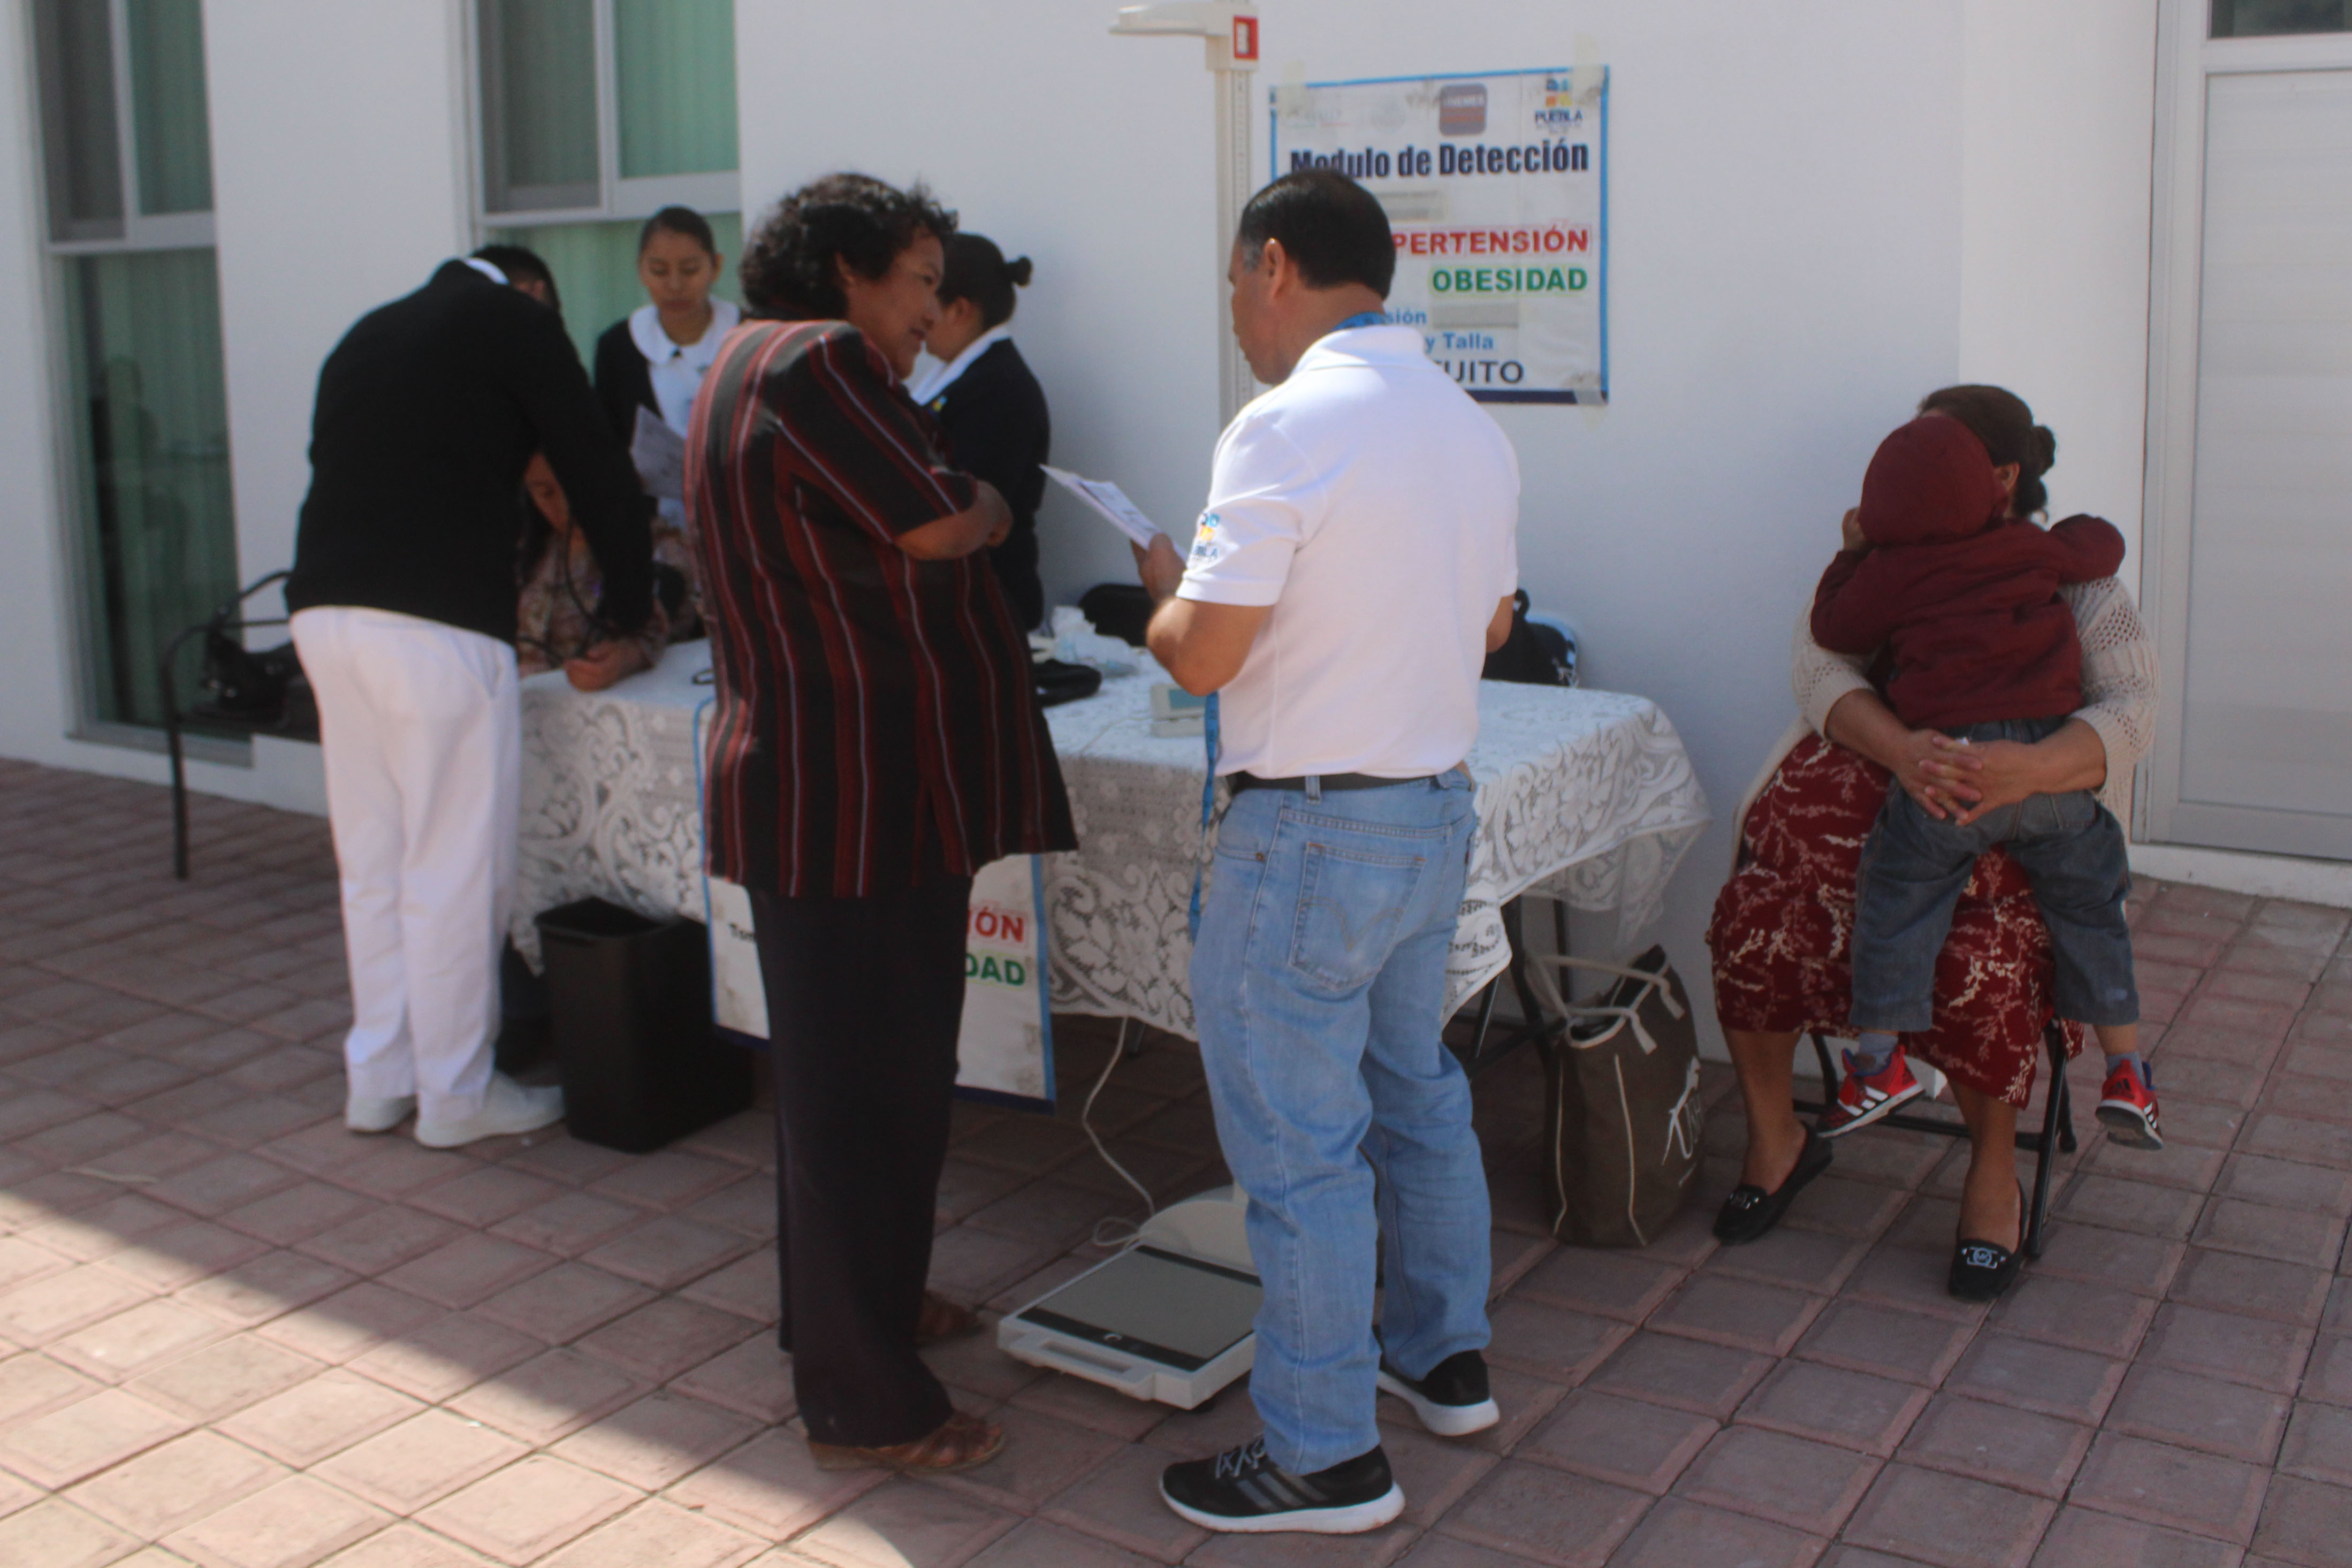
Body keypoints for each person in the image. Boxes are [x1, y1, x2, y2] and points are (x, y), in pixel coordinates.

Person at [1131, 168, 1520, 1535]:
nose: (1237, 313)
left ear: (1276, 264)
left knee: (1298, 1153)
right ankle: (1442, 1356)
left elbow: (1203, 657)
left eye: (1237, 283)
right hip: (1427, 808)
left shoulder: (1281, 425)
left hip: (1303, 829)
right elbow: (1485, 627)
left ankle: (1324, 1453)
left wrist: (1159, 599)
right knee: (1410, 1092)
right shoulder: (1468, 425)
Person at [691, 173, 1075, 1475]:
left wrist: (958, 500)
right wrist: (989, 508)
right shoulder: (813, 363)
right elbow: (929, 517)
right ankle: (861, 1393)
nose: (930, 307)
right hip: (849, 793)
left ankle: (854, 1306)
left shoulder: (757, 364)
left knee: (869, 1082)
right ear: (849, 271)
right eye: (917, 277)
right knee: (862, 1092)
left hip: (847, 787)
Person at [1706, 384, 2158, 1303]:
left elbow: (2134, 708)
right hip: (1901, 789)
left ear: (2001, 478)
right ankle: (1778, 1138)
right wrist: (1904, 751)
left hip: (2015, 814)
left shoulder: (2075, 583)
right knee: (1754, 908)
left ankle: (1991, 1175)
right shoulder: (1898, 556)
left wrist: (2027, 771)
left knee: (1982, 953)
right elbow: (1817, 663)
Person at [285, 245, 651, 1148]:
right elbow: (595, 462)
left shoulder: (369, 330)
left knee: (375, 860)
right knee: (453, 865)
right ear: (531, 292)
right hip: (437, 623)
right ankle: (454, 1094)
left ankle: (381, 1076)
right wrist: (632, 613)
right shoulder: (516, 322)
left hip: (326, 615)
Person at [1809, 414, 2156, 1181]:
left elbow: (1830, 627)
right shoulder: (2030, 548)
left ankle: (1878, 1060)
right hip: (2046, 771)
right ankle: (2126, 1072)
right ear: (1993, 490)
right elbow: (2099, 545)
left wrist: (1851, 551)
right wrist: (2068, 528)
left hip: (1950, 771)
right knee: (2093, 907)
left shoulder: (1889, 572)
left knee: (1896, 894)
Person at [593, 207, 736, 631]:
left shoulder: (748, 336)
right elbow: (608, 438)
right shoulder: (619, 347)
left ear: (716, 267)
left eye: (690, 269)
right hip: (657, 536)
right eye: (659, 270)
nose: (675, 285)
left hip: (736, 532)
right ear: (640, 271)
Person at [910, 234, 1049, 629]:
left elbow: (970, 504)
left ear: (958, 310)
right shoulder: (960, 374)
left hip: (988, 606)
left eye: (927, 294)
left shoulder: (998, 387)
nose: (917, 313)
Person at [514, 453, 674, 690]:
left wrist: (626, 657)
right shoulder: (523, 554)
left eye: (576, 487)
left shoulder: (657, 544)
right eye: (546, 493)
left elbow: (666, 616)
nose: (566, 506)